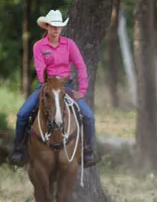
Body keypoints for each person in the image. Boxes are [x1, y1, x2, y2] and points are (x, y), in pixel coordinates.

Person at [8, 9, 98, 167]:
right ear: (47, 27)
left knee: (89, 116)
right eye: (53, 26)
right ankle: (18, 149)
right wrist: (46, 86)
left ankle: (88, 151)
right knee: (22, 114)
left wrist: (81, 91)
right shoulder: (39, 46)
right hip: (46, 85)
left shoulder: (69, 44)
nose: (56, 29)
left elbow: (80, 66)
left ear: (61, 28)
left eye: (59, 26)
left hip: (65, 86)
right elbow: (40, 68)